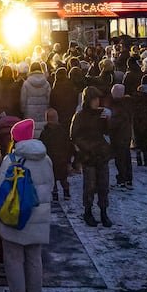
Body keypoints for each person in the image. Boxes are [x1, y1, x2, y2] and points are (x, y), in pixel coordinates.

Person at [0, 118, 54, 292]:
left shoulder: (11, 160)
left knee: (14, 260)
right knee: (35, 259)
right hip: (39, 218)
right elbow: (50, 187)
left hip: (15, 217)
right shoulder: (46, 159)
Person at [70, 86, 112, 227]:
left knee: (103, 185)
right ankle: (88, 211)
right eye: (94, 99)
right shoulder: (80, 115)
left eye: (98, 99)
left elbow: (107, 132)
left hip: (101, 153)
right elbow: (74, 136)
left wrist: (107, 120)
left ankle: (103, 211)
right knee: (90, 185)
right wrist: (86, 147)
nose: (97, 102)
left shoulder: (102, 113)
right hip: (88, 155)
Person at [39, 107, 73, 199]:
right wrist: (69, 159)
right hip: (61, 159)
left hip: (51, 159)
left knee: (52, 178)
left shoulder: (45, 133)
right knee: (63, 178)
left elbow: (42, 146)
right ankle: (66, 192)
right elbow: (68, 146)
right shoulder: (62, 131)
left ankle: (55, 194)